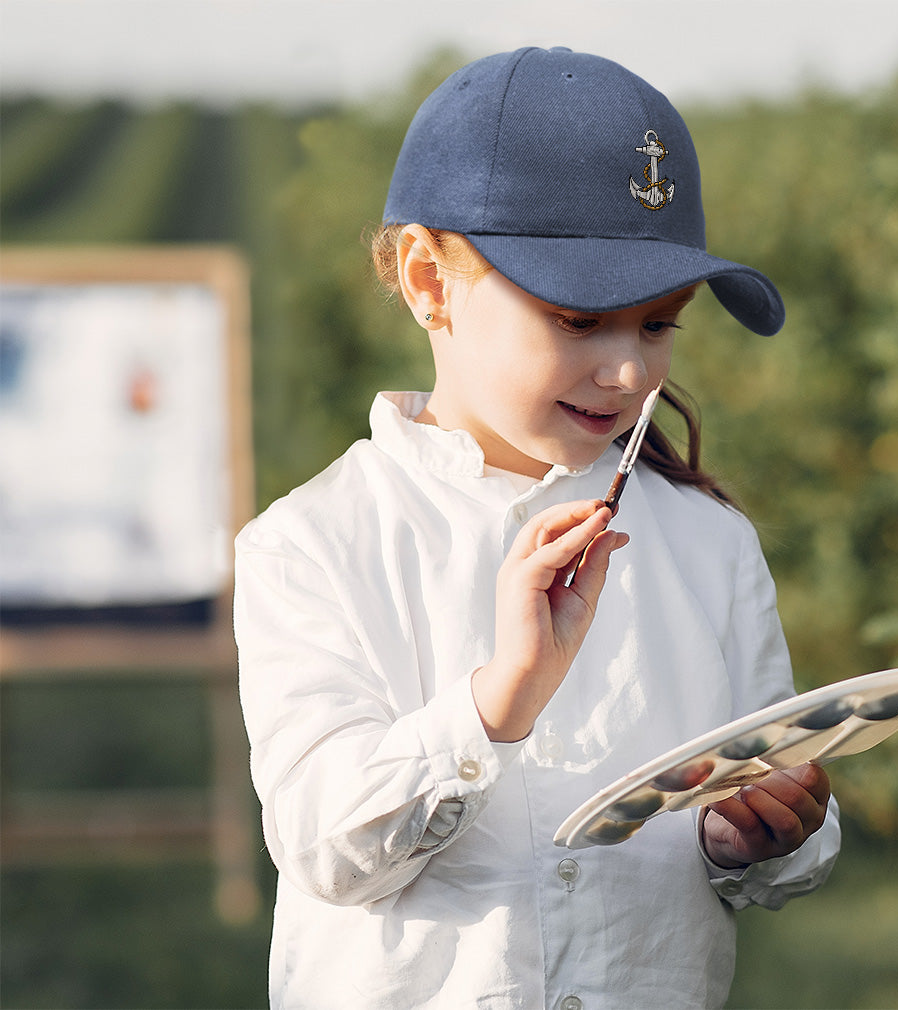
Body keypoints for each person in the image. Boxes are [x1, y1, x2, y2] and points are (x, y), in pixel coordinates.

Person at [235, 46, 840, 1010]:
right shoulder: (313, 544)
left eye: (658, 324)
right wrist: (495, 703)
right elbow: (324, 849)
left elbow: (779, 803)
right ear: (429, 281)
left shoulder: (709, 544)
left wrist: (756, 834)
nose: (631, 372)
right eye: (576, 319)